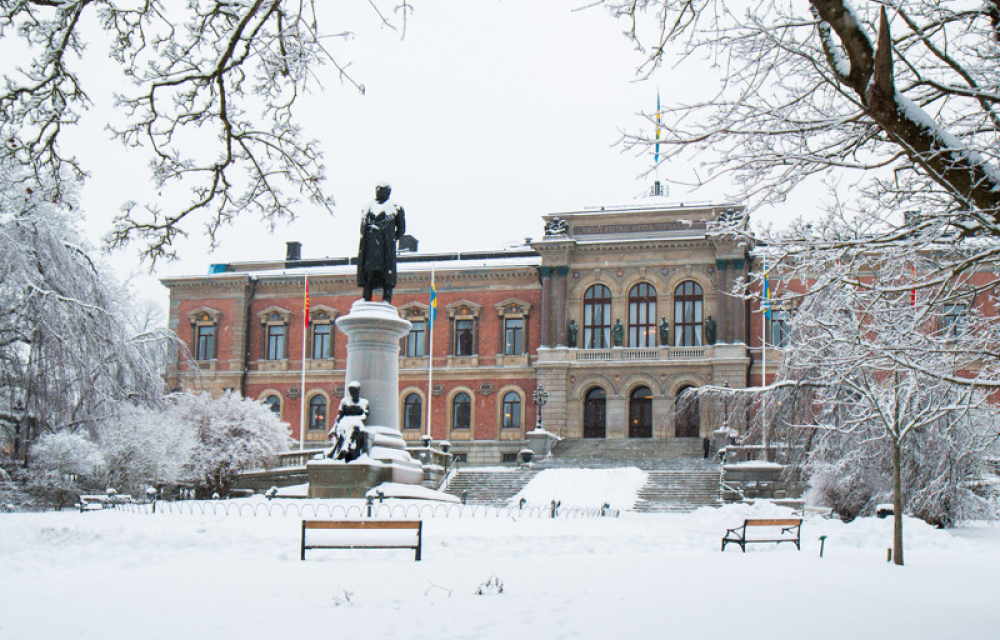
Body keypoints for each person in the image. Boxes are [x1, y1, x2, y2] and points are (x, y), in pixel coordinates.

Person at [357, 183, 406, 303]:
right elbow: (362, 229)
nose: (378, 191)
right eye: (377, 189)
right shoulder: (368, 207)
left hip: (386, 248)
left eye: (381, 190)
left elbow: (401, 229)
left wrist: (391, 239)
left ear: (388, 192)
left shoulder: (395, 208)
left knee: (386, 275)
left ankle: (386, 300)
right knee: (369, 274)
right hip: (370, 247)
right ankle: (366, 299)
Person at [327, 382, 370, 462]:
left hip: (357, 423)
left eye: (355, 391)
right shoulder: (344, 401)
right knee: (348, 427)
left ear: (358, 391)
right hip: (345, 423)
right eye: (352, 392)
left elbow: (365, 415)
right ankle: (345, 447)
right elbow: (339, 416)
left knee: (354, 426)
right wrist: (333, 428)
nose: (353, 394)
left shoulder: (364, 402)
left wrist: (356, 419)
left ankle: (346, 447)